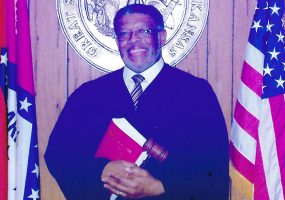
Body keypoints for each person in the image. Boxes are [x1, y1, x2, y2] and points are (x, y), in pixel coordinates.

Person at [45, 4, 229, 200]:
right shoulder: (88, 96)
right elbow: (59, 154)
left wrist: (161, 186)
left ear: (161, 37)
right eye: (124, 34)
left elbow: (213, 167)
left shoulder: (196, 94)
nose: (133, 40)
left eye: (143, 31)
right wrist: (102, 169)